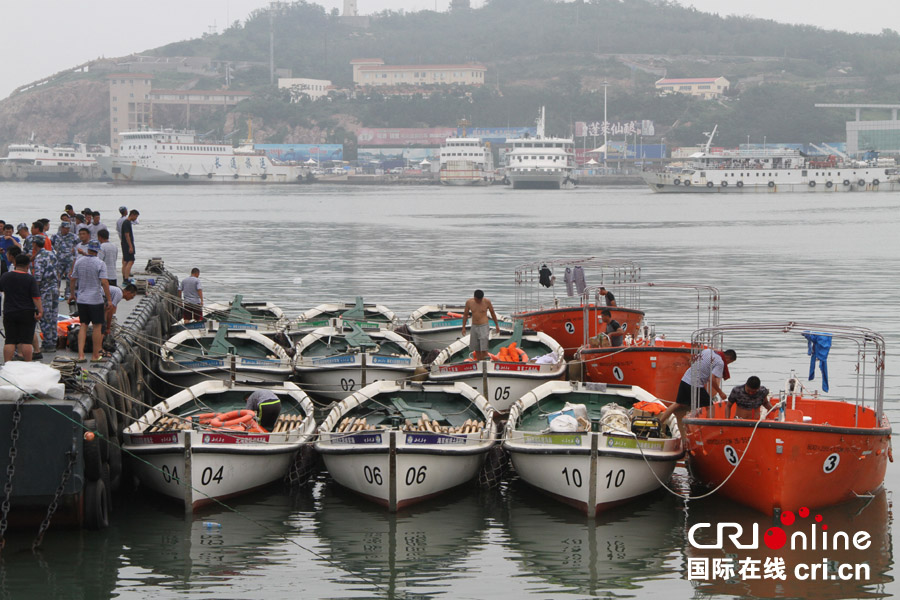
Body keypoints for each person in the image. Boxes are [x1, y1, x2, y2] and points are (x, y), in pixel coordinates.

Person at [659, 348, 737, 427]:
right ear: (728, 358)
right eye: (729, 362)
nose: (727, 364)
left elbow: (692, 362)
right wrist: (720, 392)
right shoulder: (720, 362)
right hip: (695, 384)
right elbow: (712, 378)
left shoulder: (707, 351)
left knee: (677, 403)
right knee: (710, 406)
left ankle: (659, 422)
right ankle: (708, 428)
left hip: (685, 379)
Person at [69, 240, 112, 363]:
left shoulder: (79, 261)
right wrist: (109, 299)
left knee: (83, 325)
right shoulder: (100, 263)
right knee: (97, 326)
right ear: (98, 250)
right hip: (95, 299)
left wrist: (72, 294)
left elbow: (73, 279)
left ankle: (81, 355)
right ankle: (95, 356)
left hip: (82, 299)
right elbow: (104, 282)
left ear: (88, 249)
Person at [0, 254, 42, 362]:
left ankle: (7, 365)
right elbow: (36, 298)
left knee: (10, 340)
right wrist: (40, 311)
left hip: (9, 311)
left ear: (14, 264)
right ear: (28, 266)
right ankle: (28, 364)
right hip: (26, 312)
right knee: (26, 341)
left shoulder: (5, 276)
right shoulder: (30, 279)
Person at [31, 235, 60, 354]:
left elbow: (38, 278)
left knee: (45, 317)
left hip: (45, 290)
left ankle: (48, 344)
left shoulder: (39, 258)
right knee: (53, 316)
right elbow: (58, 271)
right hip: (55, 289)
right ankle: (53, 341)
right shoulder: (52, 254)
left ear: (34, 245)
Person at [461, 289, 501, 361]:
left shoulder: (487, 302)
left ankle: (485, 362)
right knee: (476, 348)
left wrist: (497, 325)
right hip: (474, 326)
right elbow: (465, 315)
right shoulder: (469, 302)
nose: (479, 301)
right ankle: (479, 362)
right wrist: (463, 327)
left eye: (480, 299)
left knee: (484, 348)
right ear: (474, 297)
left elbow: (492, 313)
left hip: (484, 325)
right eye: (477, 300)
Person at [52, 221, 77, 292]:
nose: (68, 230)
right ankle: (57, 292)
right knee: (57, 277)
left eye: (68, 228)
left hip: (69, 260)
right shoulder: (55, 236)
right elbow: (50, 245)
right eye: (66, 228)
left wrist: (74, 249)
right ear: (62, 228)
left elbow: (80, 244)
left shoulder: (73, 236)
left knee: (69, 277)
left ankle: (68, 293)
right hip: (59, 260)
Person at [120, 209, 139, 282]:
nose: (136, 219)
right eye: (136, 217)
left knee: (125, 261)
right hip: (127, 244)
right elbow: (127, 235)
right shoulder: (127, 223)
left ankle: (124, 278)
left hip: (124, 244)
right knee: (131, 261)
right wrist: (130, 246)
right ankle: (126, 279)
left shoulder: (126, 222)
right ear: (132, 215)